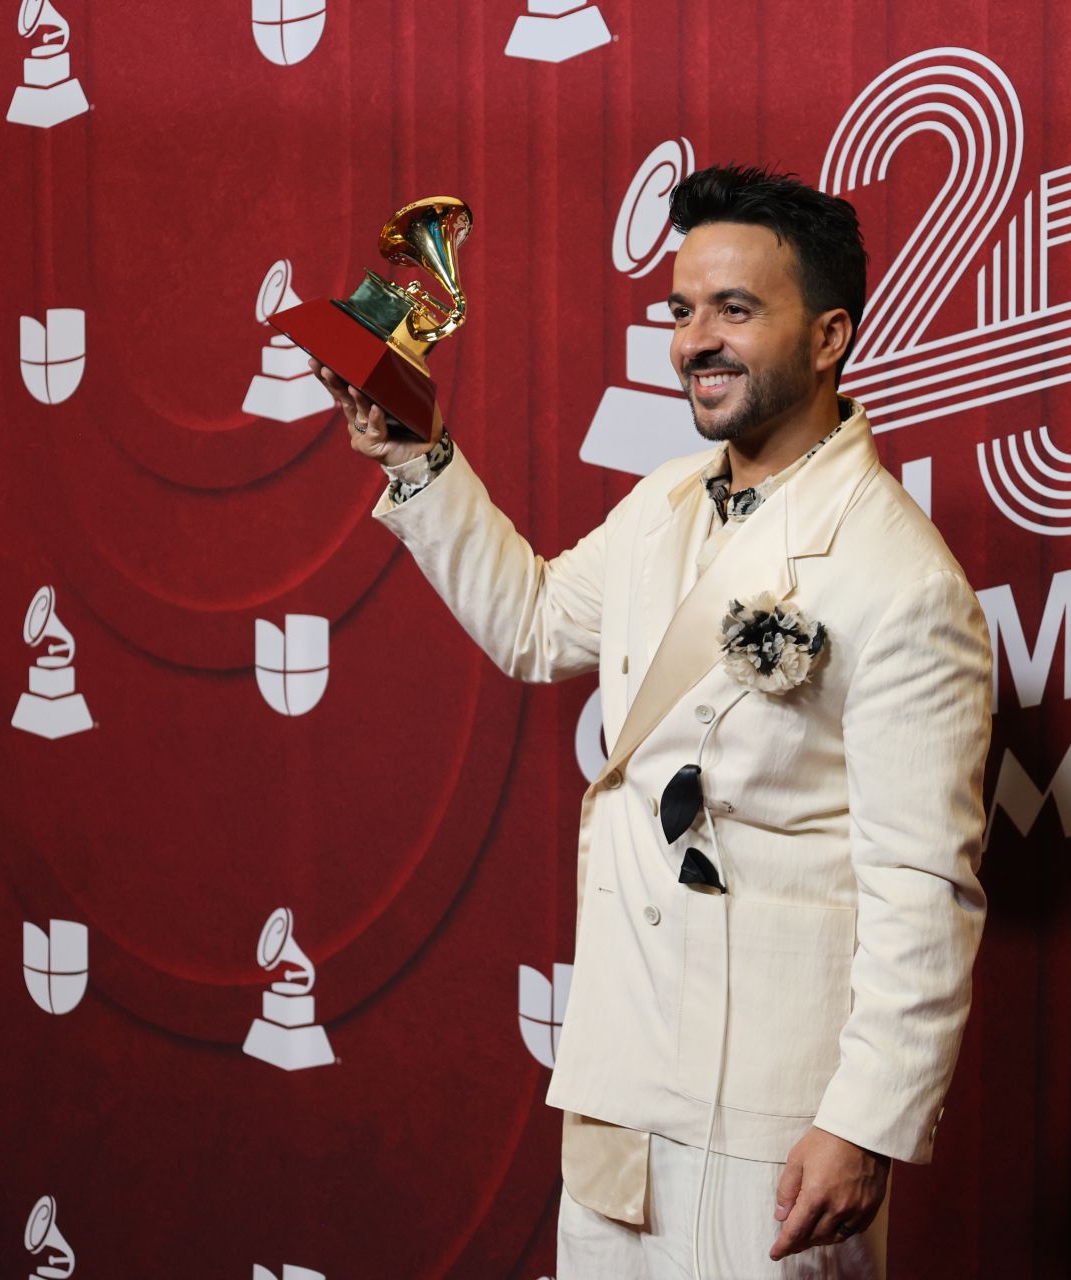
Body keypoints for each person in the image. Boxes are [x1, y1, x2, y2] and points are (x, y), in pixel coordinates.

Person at [314, 166, 992, 1279]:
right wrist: (416, 453)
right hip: (619, 1080)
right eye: (682, 311)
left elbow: (925, 880)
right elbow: (531, 623)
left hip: (774, 1126)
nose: (695, 341)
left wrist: (865, 1122)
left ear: (829, 337)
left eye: (736, 308)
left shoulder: (905, 579)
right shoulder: (661, 502)